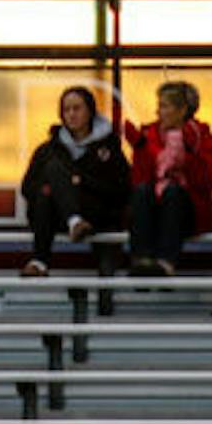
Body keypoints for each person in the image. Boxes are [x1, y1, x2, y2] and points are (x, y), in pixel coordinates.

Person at [18, 85, 129, 279]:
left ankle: (43, 259)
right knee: (47, 185)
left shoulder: (110, 147)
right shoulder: (48, 149)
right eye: (66, 110)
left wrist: (81, 182)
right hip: (55, 216)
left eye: (77, 108)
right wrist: (58, 187)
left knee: (52, 180)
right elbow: (28, 187)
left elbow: (121, 188)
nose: (71, 114)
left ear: (90, 111)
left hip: (99, 213)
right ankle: (66, 230)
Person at [123, 80, 212, 276]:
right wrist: (141, 148)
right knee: (141, 192)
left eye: (164, 106)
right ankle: (142, 259)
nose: (158, 112)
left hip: (186, 211)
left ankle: (166, 262)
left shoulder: (202, 138)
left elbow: (205, 182)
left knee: (173, 192)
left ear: (182, 110)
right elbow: (139, 179)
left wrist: (189, 153)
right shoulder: (148, 135)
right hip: (154, 207)